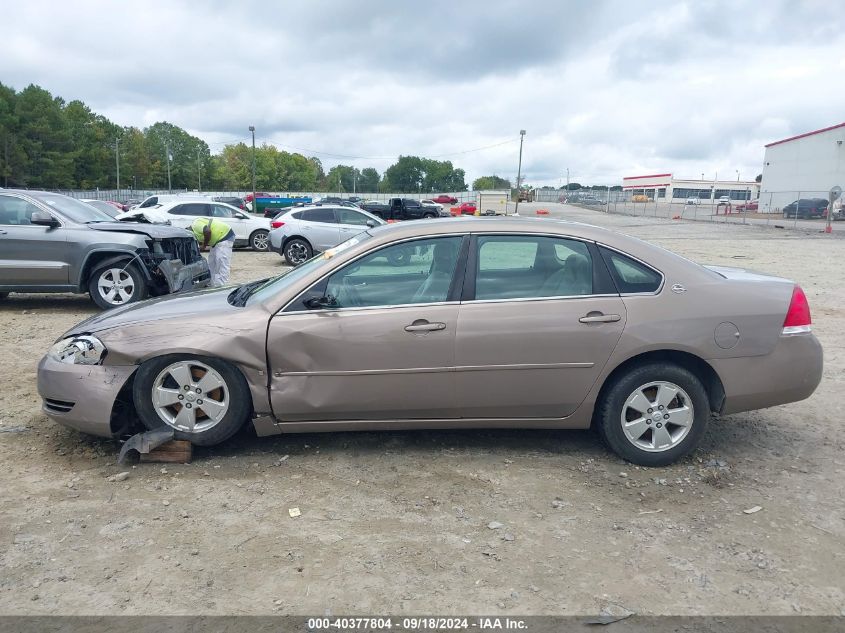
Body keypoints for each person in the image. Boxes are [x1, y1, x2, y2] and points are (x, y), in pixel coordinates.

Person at [190, 217, 234, 287]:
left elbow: (207, 231)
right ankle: (211, 284)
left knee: (221, 263)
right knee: (211, 264)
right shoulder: (194, 233)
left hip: (224, 236)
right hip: (216, 242)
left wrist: (204, 245)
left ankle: (221, 287)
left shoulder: (195, 225)